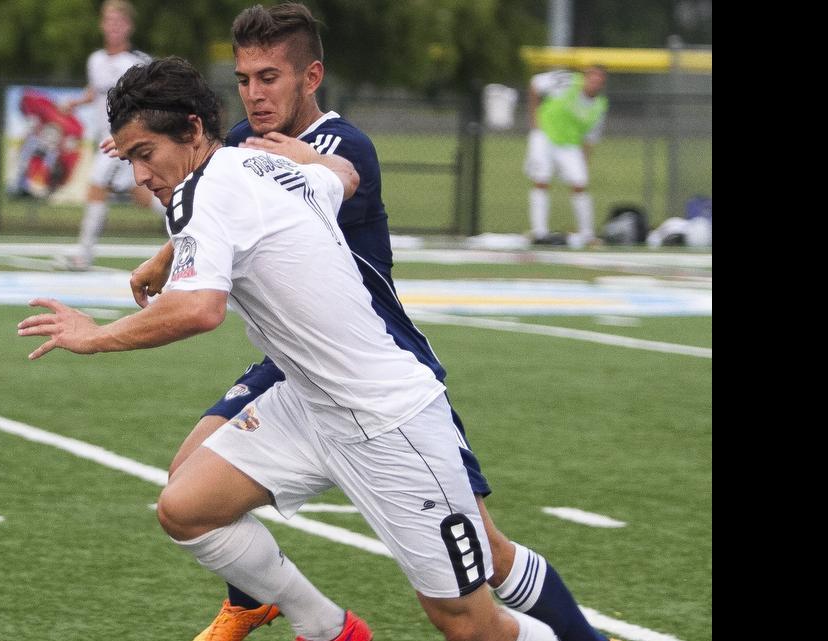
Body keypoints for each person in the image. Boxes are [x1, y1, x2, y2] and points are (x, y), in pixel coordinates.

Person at [20, 55, 561, 641]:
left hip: (387, 419)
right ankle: (330, 630)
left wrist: (95, 336)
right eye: (128, 160)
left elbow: (200, 310)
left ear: (195, 132)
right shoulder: (256, 161)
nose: (140, 177)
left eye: (145, 155)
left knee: (468, 625)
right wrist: (318, 159)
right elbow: (342, 181)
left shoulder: (205, 190)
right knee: (186, 507)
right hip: (309, 405)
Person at [126, 6, 618, 641]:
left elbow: (298, 190)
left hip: (376, 359)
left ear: (312, 76)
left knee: (487, 560)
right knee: (188, 488)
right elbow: (218, 196)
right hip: (296, 362)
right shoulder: (245, 142)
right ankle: (278, 607)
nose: (254, 93)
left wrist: (172, 249)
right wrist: (165, 233)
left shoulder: (340, 143)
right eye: (244, 79)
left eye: (270, 77)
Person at [57, 0, 166, 270]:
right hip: (105, 138)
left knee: (96, 186)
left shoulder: (137, 62)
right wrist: (77, 102)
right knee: (142, 197)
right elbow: (96, 92)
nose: (114, 27)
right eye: (109, 21)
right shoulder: (95, 60)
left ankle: (84, 254)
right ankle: (192, 220)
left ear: (129, 26)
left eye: (120, 21)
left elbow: (153, 98)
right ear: (102, 24)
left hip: (123, 140)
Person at [523, 65, 608, 246]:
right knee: (541, 179)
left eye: (598, 81)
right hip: (545, 134)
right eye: (591, 79)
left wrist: (585, 160)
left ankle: (587, 234)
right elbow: (535, 84)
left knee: (580, 182)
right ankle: (539, 232)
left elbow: (590, 138)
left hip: (569, 144)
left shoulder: (599, 106)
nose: (594, 84)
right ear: (585, 78)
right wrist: (534, 120)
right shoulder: (568, 81)